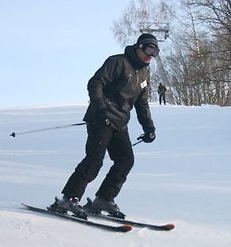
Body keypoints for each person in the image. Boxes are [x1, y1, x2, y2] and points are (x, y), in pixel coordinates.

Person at [51, 33, 160, 218]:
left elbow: (142, 103)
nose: (151, 55)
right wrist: (101, 108)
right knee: (94, 160)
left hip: (120, 123)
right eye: (149, 50)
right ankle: (69, 198)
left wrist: (149, 128)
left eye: (155, 52)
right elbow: (95, 82)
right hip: (101, 119)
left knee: (126, 160)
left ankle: (104, 198)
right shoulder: (118, 62)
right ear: (139, 47)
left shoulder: (143, 73)